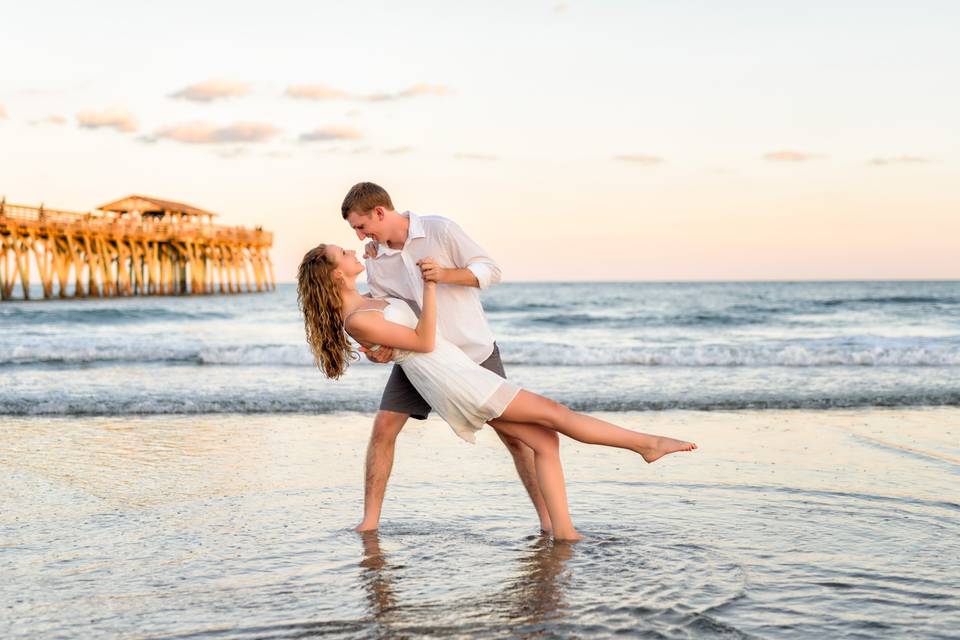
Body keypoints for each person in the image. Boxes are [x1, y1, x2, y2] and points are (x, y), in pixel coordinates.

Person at [297, 243, 698, 541]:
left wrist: (376, 263)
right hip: (455, 380)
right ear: (335, 275)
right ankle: (646, 444)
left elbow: (397, 330)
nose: (351, 249)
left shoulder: (367, 301)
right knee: (555, 414)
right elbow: (422, 339)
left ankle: (565, 532)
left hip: (457, 371)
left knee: (545, 440)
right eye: (343, 253)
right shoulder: (357, 318)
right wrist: (432, 285)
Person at [340, 182, 552, 534]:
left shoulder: (440, 229)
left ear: (379, 212)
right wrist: (381, 349)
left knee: (516, 438)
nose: (362, 237)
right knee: (383, 430)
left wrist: (444, 275)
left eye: (362, 227)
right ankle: (369, 523)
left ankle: (547, 521)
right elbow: (386, 307)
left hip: (471, 351)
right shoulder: (375, 258)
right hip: (420, 359)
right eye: (357, 232)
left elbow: (490, 269)